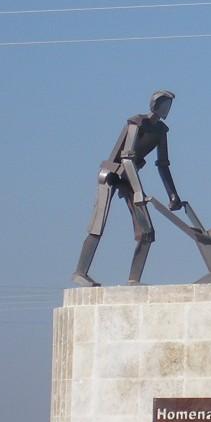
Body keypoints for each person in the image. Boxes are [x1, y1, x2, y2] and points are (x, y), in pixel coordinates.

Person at [72, 90, 183, 287]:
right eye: (165, 105)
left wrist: (173, 194)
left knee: (147, 231)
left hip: (129, 178)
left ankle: (134, 280)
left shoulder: (161, 131)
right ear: (155, 105)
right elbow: (127, 157)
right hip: (111, 174)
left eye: (169, 106)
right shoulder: (137, 122)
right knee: (98, 225)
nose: (167, 109)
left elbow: (163, 165)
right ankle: (80, 272)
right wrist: (139, 191)